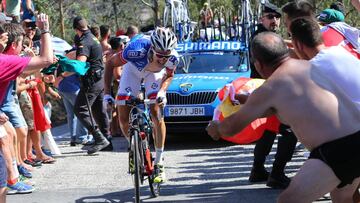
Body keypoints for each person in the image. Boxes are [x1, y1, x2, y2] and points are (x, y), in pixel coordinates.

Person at [207, 31, 360, 203]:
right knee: (342, 197)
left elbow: (232, 127)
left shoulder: (271, 87)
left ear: (258, 64)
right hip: (356, 134)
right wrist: (250, 102)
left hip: (338, 149)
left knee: (288, 200)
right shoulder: (309, 66)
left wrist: (216, 128)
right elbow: (278, 106)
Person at [104, 27, 179, 183]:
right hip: (132, 71)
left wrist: (162, 92)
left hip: (154, 75)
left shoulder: (173, 57)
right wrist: (106, 94)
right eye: (159, 55)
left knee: (156, 112)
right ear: (152, 48)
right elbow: (110, 64)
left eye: (166, 56)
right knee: (123, 115)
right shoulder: (135, 50)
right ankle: (133, 147)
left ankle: (159, 162)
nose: (163, 59)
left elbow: (169, 75)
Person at [248, 2, 297, 189]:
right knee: (288, 131)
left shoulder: (271, 36)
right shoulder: (261, 37)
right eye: (270, 17)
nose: (274, 20)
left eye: (277, 17)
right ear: (262, 19)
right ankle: (276, 173)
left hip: (268, 89)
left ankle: (258, 170)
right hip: (270, 89)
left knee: (268, 131)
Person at [72, 16, 111, 154]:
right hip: (99, 79)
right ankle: (107, 140)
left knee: (80, 109)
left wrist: (64, 68)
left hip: (91, 81)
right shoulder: (93, 38)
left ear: (76, 29)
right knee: (99, 110)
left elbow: (80, 63)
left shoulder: (84, 41)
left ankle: (99, 138)